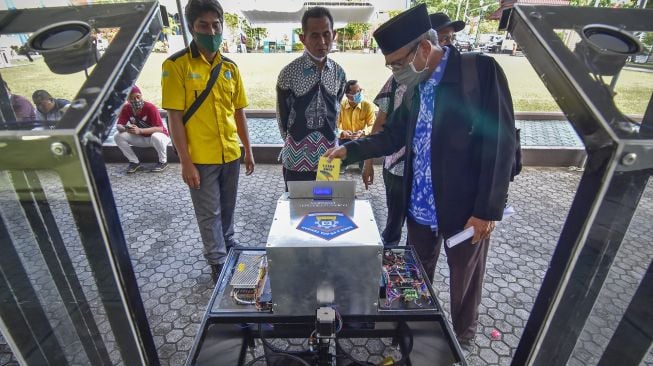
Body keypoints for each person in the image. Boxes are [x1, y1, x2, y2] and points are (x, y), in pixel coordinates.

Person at [323, 4, 516, 345]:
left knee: (464, 279)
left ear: (424, 49)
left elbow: (499, 144)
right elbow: (394, 134)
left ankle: (461, 339)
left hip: (465, 208)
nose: (396, 72)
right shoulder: (415, 86)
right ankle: (411, 331)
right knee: (414, 277)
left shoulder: (479, 73)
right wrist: (349, 150)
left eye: (398, 62)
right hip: (421, 204)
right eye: (391, 65)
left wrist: (487, 210)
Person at [161, 0, 255, 282]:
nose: (211, 31)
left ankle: (227, 244)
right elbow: (174, 118)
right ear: (191, 27)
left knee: (227, 207)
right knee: (208, 212)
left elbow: (238, 112)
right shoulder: (175, 65)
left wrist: (247, 150)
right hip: (200, 158)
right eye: (204, 25)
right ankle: (216, 261)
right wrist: (185, 162)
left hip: (230, 153)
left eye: (216, 25)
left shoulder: (230, 68)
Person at [276, 6, 346, 188]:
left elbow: (335, 109)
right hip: (296, 159)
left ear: (334, 35)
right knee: (297, 211)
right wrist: (297, 145)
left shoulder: (339, 73)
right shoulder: (289, 74)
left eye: (326, 34)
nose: (322, 41)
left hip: (329, 157)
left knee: (325, 210)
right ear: (303, 38)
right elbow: (282, 117)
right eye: (314, 35)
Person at [114, 85, 171, 174]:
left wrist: (140, 131)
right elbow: (119, 125)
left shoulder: (150, 107)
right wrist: (126, 128)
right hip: (142, 138)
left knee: (156, 136)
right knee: (118, 136)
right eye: (132, 98)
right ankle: (134, 162)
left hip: (159, 137)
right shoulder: (126, 108)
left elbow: (160, 128)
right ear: (128, 100)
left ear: (141, 96)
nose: (136, 100)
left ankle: (163, 162)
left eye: (138, 97)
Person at [337, 79, 375, 171]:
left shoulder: (367, 105)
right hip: (345, 138)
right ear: (348, 95)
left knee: (368, 140)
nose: (360, 93)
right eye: (357, 92)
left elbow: (372, 125)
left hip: (361, 137)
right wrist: (343, 133)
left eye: (360, 90)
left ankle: (363, 164)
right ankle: (343, 163)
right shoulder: (340, 106)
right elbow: (334, 127)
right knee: (336, 140)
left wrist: (362, 132)